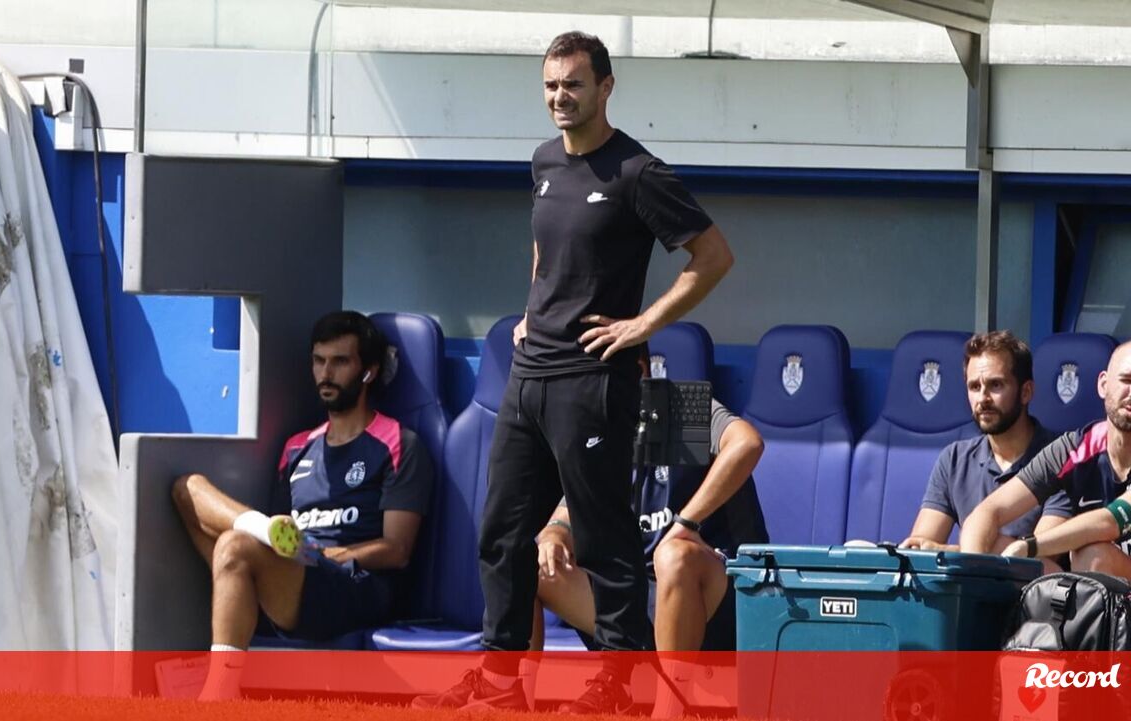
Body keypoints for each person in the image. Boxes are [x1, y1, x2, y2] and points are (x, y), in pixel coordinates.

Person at [413, 30, 733, 712]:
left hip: (595, 379)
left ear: (606, 88)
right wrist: (533, 309)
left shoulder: (638, 172)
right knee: (501, 532)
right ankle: (501, 683)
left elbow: (712, 257)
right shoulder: (543, 163)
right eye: (551, 85)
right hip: (529, 375)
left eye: (574, 84)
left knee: (603, 537)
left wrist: (641, 325)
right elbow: (545, 248)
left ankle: (620, 683)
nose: (561, 96)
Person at [171, 311, 434, 700]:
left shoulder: (399, 442)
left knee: (235, 544)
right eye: (318, 361)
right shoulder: (296, 447)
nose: (326, 373)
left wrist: (327, 554)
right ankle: (264, 533)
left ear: (369, 372)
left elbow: (397, 550)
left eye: (340, 362)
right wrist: (285, 545)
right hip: (293, 570)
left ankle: (218, 697)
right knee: (187, 490)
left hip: (352, 585)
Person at [530, 367, 767, 715]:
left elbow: (748, 444)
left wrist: (687, 521)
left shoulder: (679, 406)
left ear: (637, 372)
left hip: (716, 601)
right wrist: (554, 533)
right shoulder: (595, 427)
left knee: (674, 556)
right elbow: (570, 507)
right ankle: (521, 699)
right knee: (529, 562)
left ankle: (670, 709)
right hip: (639, 602)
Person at [899, 331, 1070, 569]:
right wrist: (957, 550)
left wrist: (957, 551)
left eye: (995, 385)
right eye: (974, 386)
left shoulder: (1062, 458)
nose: (983, 398)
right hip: (969, 588)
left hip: (1034, 590)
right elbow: (921, 548)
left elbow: (1042, 560)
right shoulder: (954, 459)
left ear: (1026, 392)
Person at [961, 341, 1131, 578]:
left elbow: (1109, 521)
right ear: (1103, 385)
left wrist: (1029, 546)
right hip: (1108, 588)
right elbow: (989, 511)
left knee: (1091, 554)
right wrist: (970, 574)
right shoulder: (1075, 448)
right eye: (1126, 380)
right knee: (991, 541)